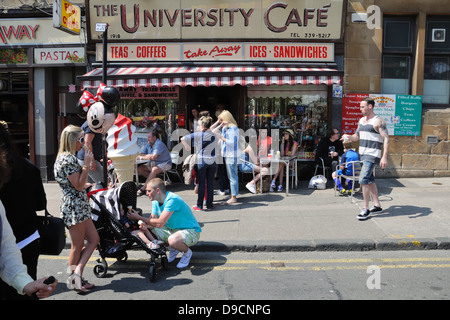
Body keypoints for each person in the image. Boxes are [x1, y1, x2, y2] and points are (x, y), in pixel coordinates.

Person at [0, 139, 57, 300]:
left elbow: (6, 250)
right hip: (28, 238)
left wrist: (25, 283)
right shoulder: (28, 166)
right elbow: (40, 204)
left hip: (22, 241)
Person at [54, 125, 100, 293]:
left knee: (94, 239)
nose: (83, 143)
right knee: (77, 245)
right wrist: (86, 165)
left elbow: (77, 184)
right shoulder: (67, 159)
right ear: (72, 140)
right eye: (80, 140)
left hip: (79, 204)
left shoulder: (67, 157)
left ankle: (77, 272)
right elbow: (79, 186)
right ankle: (74, 278)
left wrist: (84, 178)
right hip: (74, 206)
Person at [127, 178, 201, 269]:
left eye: (149, 191)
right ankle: (173, 249)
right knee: (152, 230)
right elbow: (152, 221)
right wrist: (144, 226)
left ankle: (187, 253)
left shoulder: (172, 199)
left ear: (157, 190)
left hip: (191, 231)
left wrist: (139, 217)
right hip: (173, 230)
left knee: (172, 240)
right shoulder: (155, 201)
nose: (146, 194)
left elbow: (160, 223)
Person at [342, 97, 390, 220]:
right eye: (360, 107)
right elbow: (356, 137)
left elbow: (386, 139)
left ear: (370, 106)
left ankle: (365, 209)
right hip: (362, 154)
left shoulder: (378, 121)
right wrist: (347, 136)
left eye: (363, 107)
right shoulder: (361, 120)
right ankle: (377, 205)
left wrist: (384, 157)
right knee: (370, 179)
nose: (360, 109)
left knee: (363, 179)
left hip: (372, 154)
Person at [181, 115, 218, 211]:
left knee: (201, 184)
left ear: (202, 126)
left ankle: (199, 205)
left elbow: (183, 138)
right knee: (210, 184)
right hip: (213, 160)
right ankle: (210, 205)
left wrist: (187, 147)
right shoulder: (214, 135)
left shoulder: (198, 134)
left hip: (202, 160)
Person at [212, 110, 239, 204]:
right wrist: (218, 123)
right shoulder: (226, 128)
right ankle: (232, 194)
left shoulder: (233, 129)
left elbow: (231, 143)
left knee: (232, 176)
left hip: (231, 154)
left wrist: (221, 137)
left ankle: (234, 197)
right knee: (230, 175)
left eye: (221, 119)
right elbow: (212, 131)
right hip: (227, 154)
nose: (220, 121)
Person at [136, 129, 172, 196]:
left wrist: (145, 156)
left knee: (154, 169)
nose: (147, 139)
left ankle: (144, 188)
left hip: (165, 163)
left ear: (154, 138)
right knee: (140, 168)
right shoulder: (148, 144)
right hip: (154, 163)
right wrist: (147, 156)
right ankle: (155, 184)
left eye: (149, 137)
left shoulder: (158, 144)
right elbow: (141, 154)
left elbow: (153, 157)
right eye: (147, 137)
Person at [76, 120, 104, 188]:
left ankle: (87, 198)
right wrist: (92, 161)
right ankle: (101, 198)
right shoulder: (91, 125)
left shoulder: (90, 123)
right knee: (102, 182)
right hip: (87, 158)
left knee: (88, 186)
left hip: (84, 158)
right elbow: (87, 142)